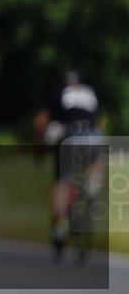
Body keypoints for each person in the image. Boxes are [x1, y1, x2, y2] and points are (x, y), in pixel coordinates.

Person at [35, 71, 103, 257]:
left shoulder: (60, 93)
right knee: (95, 161)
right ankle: (92, 187)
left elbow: (41, 122)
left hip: (71, 138)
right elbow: (98, 122)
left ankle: (60, 223)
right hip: (93, 137)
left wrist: (40, 149)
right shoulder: (90, 93)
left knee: (62, 181)